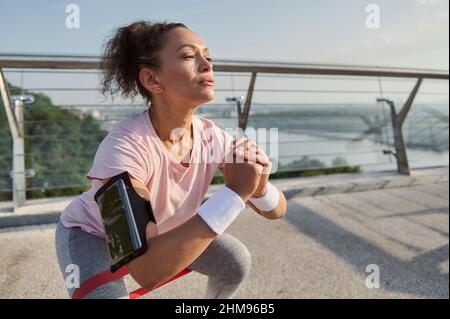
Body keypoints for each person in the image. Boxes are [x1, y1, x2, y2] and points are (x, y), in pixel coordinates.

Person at [55, 20, 287, 299]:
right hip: (93, 235)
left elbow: (277, 211)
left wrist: (259, 187)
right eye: (189, 56)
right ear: (153, 80)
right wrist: (235, 193)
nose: (206, 64)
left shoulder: (213, 137)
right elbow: (146, 271)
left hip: (166, 229)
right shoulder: (124, 148)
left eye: (208, 56)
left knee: (235, 262)